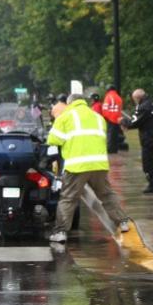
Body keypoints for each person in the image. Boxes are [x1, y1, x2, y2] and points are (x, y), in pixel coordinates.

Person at [47, 94, 130, 243]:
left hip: (77, 165)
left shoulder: (65, 117)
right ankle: (123, 222)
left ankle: (60, 232)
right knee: (107, 195)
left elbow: (53, 139)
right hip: (99, 164)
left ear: (69, 103)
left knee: (68, 198)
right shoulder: (98, 117)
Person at [121, 88, 153, 193]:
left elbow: (135, 121)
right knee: (150, 160)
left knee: (147, 163)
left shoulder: (144, 107)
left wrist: (123, 122)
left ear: (137, 98)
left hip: (149, 138)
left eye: (134, 99)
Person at [101, 85, 123, 153]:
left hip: (109, 118)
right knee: (115, 135)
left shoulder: (108, 96)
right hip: (117, 118)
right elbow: (120, 108)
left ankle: (110, 149)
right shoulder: (118, 97)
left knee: (110, 135)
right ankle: (115, 149)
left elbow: (105, 108)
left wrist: (104, 117)